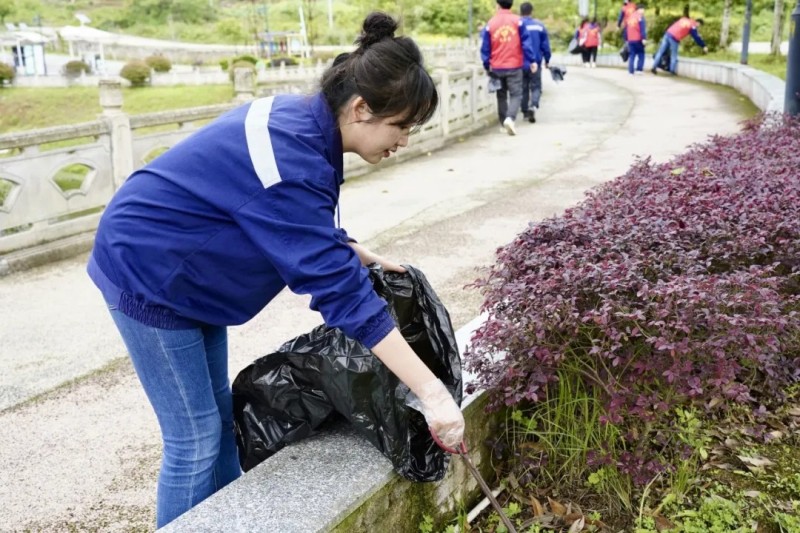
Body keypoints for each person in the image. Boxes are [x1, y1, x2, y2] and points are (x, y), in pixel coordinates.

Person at [86, 12, 465, 529]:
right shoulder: (290, 158)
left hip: (186, 270)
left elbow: (273, 213)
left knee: (219, 425)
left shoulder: (302, 119)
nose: (404, 141)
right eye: (401, 126)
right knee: (194, 438)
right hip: (150, 271)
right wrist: (432, 394)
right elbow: (345, 298)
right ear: (360, 108)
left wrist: (347, 248)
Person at [481, 0, 537, 135]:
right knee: (516, 94)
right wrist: (532, 60)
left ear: (498, 5)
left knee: (501, 95)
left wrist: (486, 64)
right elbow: (526, 43)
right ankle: (510, 118)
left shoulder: (491, 23)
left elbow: (485, 47)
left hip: (497, 66)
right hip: (514, 65)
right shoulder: (518, 21)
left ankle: (503, 123)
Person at [519, 2, 551, 123]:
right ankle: (533, 105)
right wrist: (547, 59)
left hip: (521, 63)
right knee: (536, 86)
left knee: (523, 88)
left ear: (520, 12)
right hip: (535, 62)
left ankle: (525, 112)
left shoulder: (517, 25)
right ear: (531, 11)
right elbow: (545, 46)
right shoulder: (539, 26)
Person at [625, 3, 647, 75]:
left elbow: (626, 29)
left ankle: (631, 71)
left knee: (632, 55)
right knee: (641, 54)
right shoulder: (640, 17)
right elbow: (642, 29)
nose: (643, 11)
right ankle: (639, 69)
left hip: (630, 39)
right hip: (638, 39)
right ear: (640, 9)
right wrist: (644, 38)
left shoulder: (630, 17)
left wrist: (626, 38)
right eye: (643, 9)